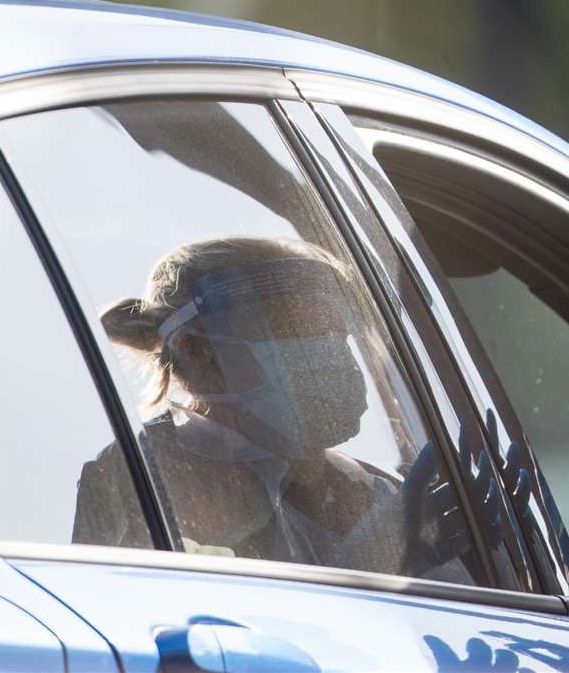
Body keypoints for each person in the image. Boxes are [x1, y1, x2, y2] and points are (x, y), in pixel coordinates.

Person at [76, 235, 495, 579]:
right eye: (290, 328)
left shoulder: (371, 489)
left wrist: (497, 562)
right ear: (199, 351)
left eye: (331, 329)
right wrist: (359, 571)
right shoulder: (142, 478)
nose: (328, 350)